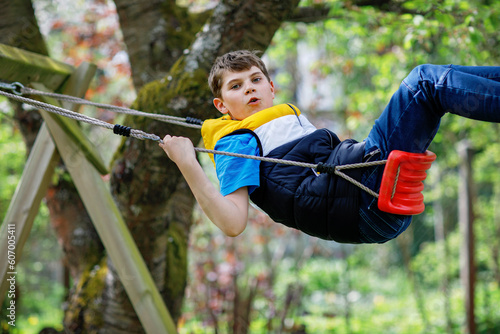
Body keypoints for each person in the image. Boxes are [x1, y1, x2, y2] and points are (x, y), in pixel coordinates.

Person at [159, 50, 500, 244]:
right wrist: (188, 164)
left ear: (272, 87)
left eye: (255, 79)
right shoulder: (238, 140)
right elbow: (233, 222)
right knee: (423, 83)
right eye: (236, 86)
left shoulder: (279, 120)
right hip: (364, 199)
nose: (249, 89)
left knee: (436, 81)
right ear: (222, 106)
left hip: (373, 198)